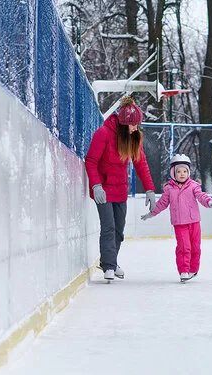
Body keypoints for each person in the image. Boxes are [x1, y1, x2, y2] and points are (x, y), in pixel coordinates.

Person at [85, 96, 157, 281]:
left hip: (120, 190)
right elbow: (91, 161)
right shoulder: (103, 134)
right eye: (133, 125)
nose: (136, 128)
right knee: (108, 227)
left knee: (119, 230)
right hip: (103, 189)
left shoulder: (133, 139)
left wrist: (149, 189)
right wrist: (96, 185)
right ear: (125, 124)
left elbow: (142, 164)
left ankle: (111, 260)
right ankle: (109, 266)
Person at [140, 154, 212, 282]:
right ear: (173, 173)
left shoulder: (193, 186)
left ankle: (193, 269)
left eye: (185, 171)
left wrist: (208, 202)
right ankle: (184, 271)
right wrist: (151, 214)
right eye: (179, 171)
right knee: (184, 247)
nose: (182, 174)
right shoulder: (169, 189)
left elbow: (201, 196)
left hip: (194, 222)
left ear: (189, 172)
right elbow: (162, 204)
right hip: (180, 223)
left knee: (195, 247)